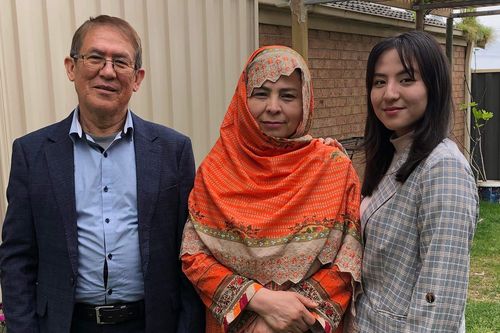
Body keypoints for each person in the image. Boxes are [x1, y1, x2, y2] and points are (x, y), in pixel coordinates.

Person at [0, 15, 204, 333]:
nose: (107, 71)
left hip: (152, 323)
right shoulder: (33, 153)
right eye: (95, 57)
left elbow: (190, 250)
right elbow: (17, 257)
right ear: (71, 67)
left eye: (120, 62)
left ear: (137, 77)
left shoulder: (172, 151)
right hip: (66, 324)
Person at [180, 45, 362, 333]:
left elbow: (348, 259)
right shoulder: (215, 170)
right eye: (261, 94)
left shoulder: (333, 168)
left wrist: (288, 319)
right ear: (243, 99)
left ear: (305, 102)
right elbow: (193, 256)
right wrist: (259, 302)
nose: (273, 107)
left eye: (287, 95)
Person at [355, 31, 478, 332]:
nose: (389, 93)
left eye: (406, 79)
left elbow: (439, 300)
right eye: (379, 82)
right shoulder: (394, 155)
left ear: (434, 87)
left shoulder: (442, 167)